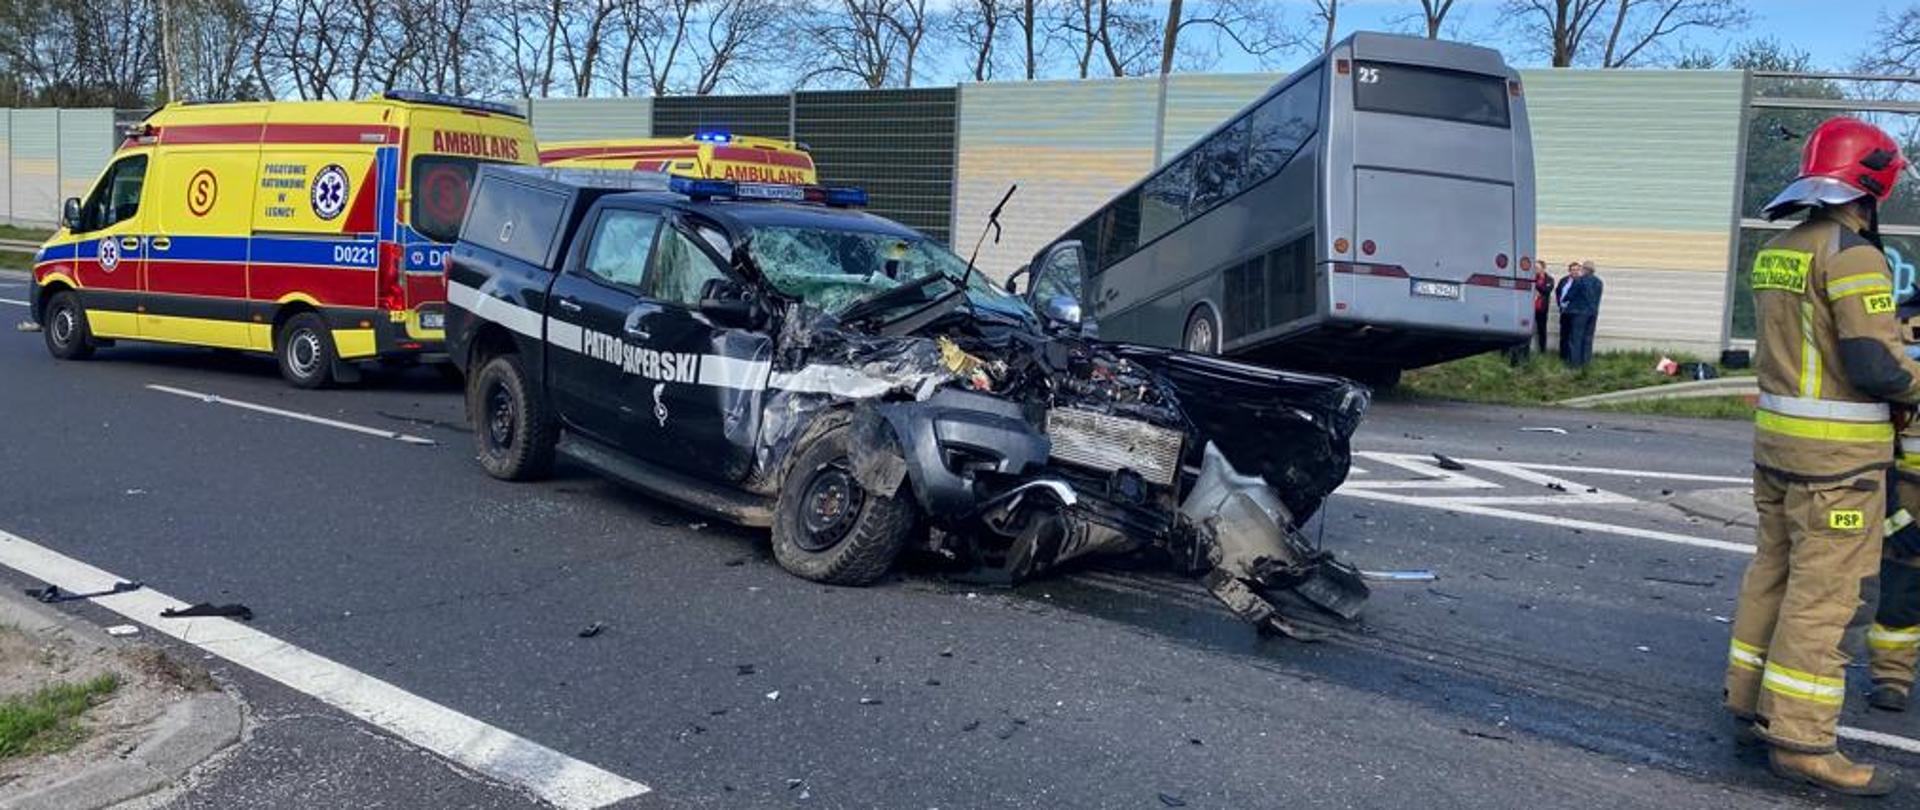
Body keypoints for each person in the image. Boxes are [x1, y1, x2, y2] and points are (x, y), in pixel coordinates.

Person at [1724, 116, 1917, 797]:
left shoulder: (1781, 247)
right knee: (1823, 596)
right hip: (1838, 466)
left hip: (1777, 450)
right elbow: (1875, 365)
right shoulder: (1856, 255)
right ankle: (1803, 740)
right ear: (1874, 186)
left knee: (1771, 575)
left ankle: (1748, 706)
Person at [1562, 260, 1603, 367]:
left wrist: (1565, 299)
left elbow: (1570, 295)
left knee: (1576, 338)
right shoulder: (1599, 282)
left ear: (1584, 269)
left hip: (1578, 312)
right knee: (1588, 338)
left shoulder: (1579, 281)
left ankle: (1574, 364)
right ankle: (1586, 363)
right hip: (1593, 313)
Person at [1555, 262, 1579, 362]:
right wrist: (1559, 305)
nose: (1575, 272)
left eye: (1577, 270)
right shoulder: (1564, 281)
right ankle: (1563, 356)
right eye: (1573, 270)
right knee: (1563, 334)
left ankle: (1571, 356)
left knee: (1573, 335)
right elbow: (1557, 292)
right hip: (1564, 311)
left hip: (1575, 312)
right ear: (1569, 271)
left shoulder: (1581, 281)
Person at [1531, 260, 1556, 354]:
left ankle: (1542, 351)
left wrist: (1536, 285)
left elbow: (1547, 290)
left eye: (1537, 268)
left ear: (1543, 268)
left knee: (1542, 330)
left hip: (1542, 308)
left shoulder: (1549, 279)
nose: (1535, 269)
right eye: (1534, 268)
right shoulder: (1531, 277)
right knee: (1528, 329)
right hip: (1531, 308)